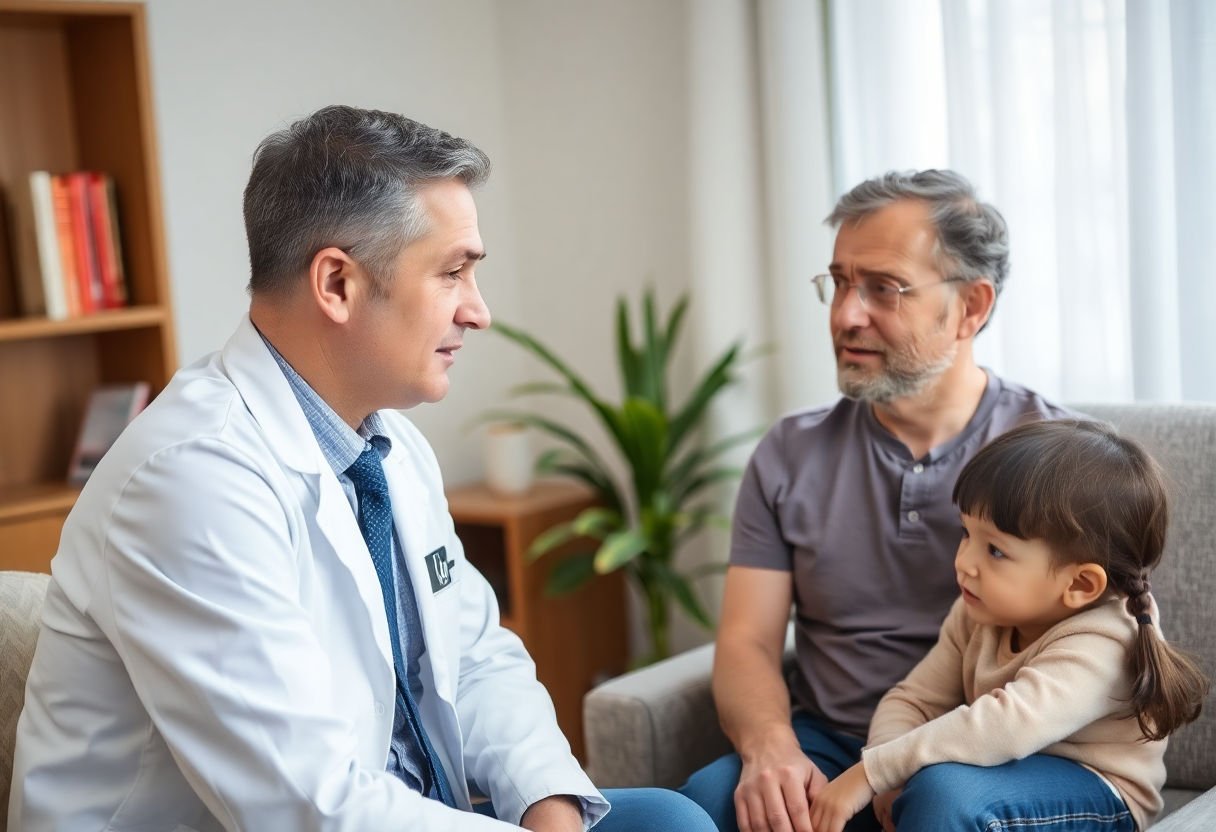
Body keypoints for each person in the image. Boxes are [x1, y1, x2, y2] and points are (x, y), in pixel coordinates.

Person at [9, 105, 715, 832]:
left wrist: (549, 807)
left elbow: (473, 657)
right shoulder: (190, 479)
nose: (479, 312)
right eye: (453, 273)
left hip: (404, 813)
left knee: (671, 820)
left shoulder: (389, 446)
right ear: (337, 284)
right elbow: (304, 803)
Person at [679, 170, 1074, 832]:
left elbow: (1105, 657)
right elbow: (747, 640)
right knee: (701, 807)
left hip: (996, 757)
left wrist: (908, 765)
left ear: (972, 307)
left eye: (883, 289)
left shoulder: (1061, 457)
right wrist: (771, 747)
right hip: (831, 748)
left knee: (942, 805)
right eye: (838, 283)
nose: (846, 314)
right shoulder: (788, 453)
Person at [809, 420, 1209, 832]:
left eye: (995, 550)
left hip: (1098, 797)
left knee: (943, 793)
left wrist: (874, 772)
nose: (964, 561)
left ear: (1079, 584)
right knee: (862, 798)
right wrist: (883, 774)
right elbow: (913, 700)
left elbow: (1002, 728)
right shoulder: (979, 612)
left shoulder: (1106, 643)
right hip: (998, 777)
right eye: (966, 533)